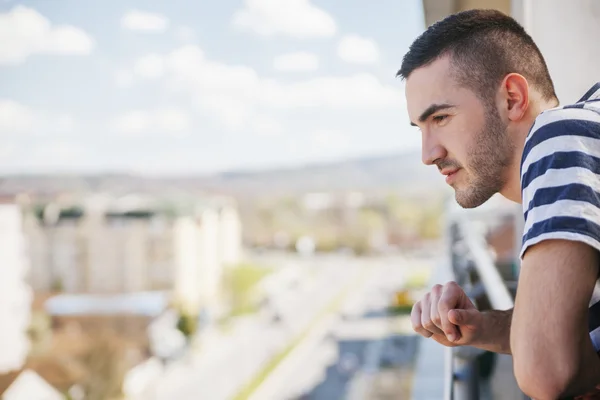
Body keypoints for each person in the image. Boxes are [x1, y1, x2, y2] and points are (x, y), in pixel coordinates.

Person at [398, 9, 600, 400]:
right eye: (420, 129)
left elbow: (546, 372)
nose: (428, 153)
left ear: (512, 98)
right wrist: (482, 326)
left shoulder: (559, 134)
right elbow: (558, 341)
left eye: (440, 117)